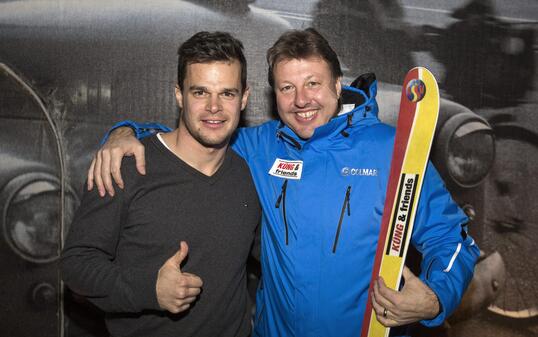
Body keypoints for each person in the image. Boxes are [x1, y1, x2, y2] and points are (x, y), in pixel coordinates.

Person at [88, 28, 479, 336]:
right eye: (287, 88)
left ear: (338, 85)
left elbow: (452, 238)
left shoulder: (391, 151)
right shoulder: (262, 146)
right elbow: (195, 134)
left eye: (313, 83)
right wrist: (126, 132)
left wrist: (434, 298)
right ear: (273, 95)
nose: (301, 100)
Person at [61, 31, 261, 337]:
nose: (214, 107)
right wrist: (149, 290)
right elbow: (76, 264)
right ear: (179, 95)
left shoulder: (248, 175)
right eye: (200, 92)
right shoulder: (126, 166)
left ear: (244, 98)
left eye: (227, 93)